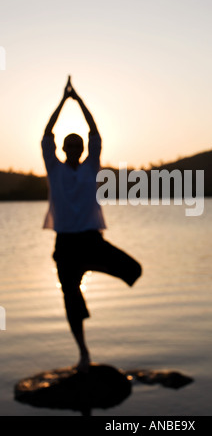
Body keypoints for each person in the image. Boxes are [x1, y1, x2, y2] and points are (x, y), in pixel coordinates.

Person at [42, 77, 142, 372]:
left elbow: (94, 130)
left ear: (83, 148)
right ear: (62, 147)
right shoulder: (54, 169)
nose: (73, 147)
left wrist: (79, 100)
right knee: (71, 300)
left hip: (91, 241)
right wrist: (63, 100)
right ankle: (84, 354)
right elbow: (46, 133)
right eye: (69, 144)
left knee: (134, 270)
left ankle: (88, 270)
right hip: (65, 244)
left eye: (78, 144)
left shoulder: (90, 166)